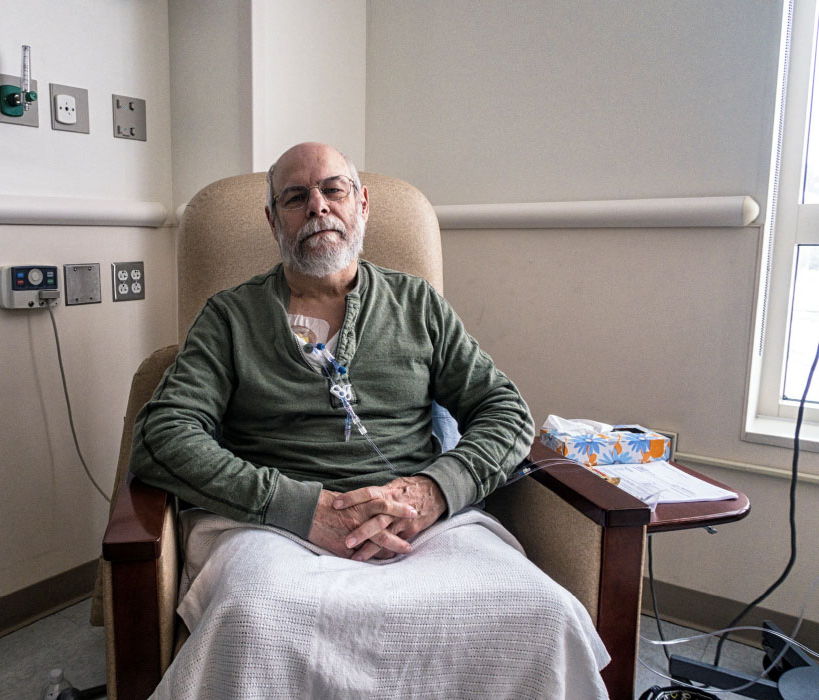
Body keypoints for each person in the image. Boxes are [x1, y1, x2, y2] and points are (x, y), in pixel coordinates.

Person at [128, 142, 610, 699]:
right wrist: (300, 508)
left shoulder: (418, 306)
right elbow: (163, 436)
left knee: (542, 611)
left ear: (361, 203)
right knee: (254, 618)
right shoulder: (229, 319)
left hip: (421, 521)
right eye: (294, 197)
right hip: (274, 528)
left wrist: (431, 492)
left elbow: (505, 411)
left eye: (333, 189)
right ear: (272, 219)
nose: (317, 207)